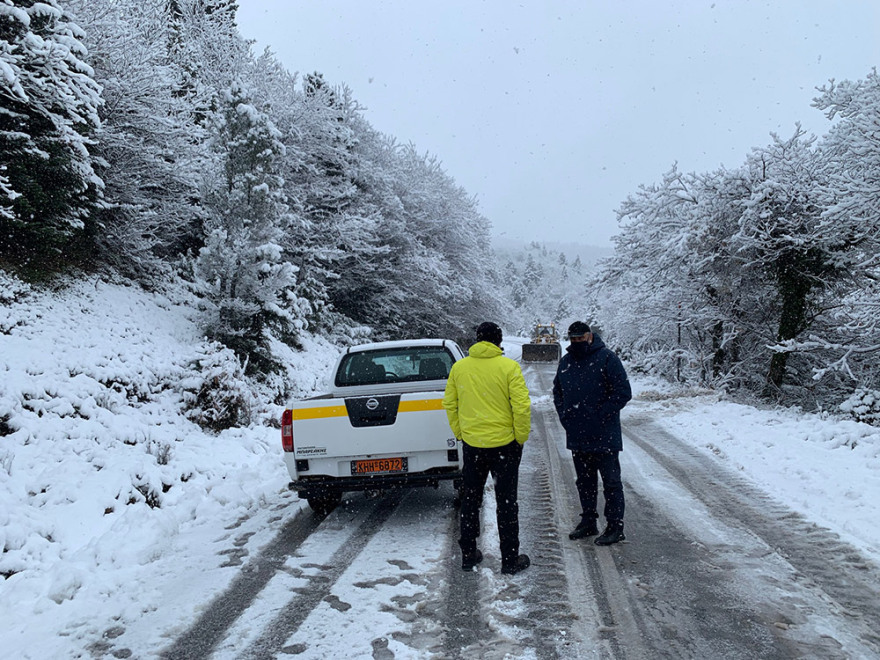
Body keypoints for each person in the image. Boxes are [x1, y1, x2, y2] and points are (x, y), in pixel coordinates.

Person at [443, 321, 532, 574]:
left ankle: (469, 554)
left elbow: (449, 403)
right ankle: (510, 559)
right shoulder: (509, 367)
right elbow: (521, 406)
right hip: (505, 445)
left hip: (473, 446)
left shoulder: (460, 368)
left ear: (477, 339)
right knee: (507, 502)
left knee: (471, 499)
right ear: (498, 340)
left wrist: (461, 432)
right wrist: (520, 437)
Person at [553, 321, 632, 546]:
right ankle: (588, 521)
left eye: (580, 338)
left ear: (589, 336)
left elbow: (623, 392)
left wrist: (600, 415)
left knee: (611, 483)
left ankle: (615, 526)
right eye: (573, 339)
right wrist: (565, 416)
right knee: (584, 482)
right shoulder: (566, 362)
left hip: (604, 435)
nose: (576, 343)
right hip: (578, 435)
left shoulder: (607, 358)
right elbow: (557, 391)